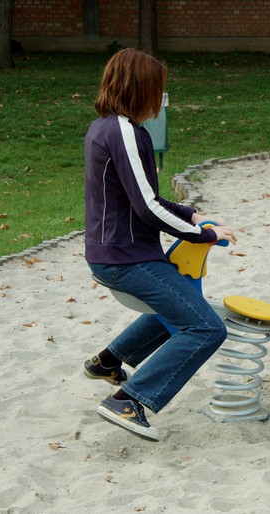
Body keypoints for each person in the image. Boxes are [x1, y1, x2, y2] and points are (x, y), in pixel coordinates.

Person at [81, 48, 237, 441]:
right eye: (157, 88)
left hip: (114, 253)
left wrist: (190, 215)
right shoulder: (123, 132)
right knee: (206, 327)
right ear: (139, 88)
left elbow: (143, 195)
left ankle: (108, 360)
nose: (160, 98)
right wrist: (204, 235)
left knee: (183, 302)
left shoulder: (105, 127)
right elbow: (147, 207)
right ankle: (128, 400)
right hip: (125, 258)